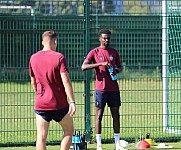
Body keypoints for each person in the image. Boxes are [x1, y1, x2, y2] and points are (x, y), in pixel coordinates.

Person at [29, 31, 76, 150]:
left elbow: (33, 81)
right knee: (69, 130)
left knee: (41, 137)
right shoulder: (59, 57)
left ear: (42, 42)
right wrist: (72, 102)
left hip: (41, 104)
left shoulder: (33, 58)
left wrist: (38, 93)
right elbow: (66, 81)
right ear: (55, 41)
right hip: (59, 103)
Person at [81, 29, 123, 150]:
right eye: (104, 38)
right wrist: (100, 64)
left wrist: (117, 70)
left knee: (116, 114)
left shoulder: (113, 52)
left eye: (108, 38)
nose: (106, 40)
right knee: (99, 115)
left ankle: (117, 144)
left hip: (114, 89)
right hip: (101, 89)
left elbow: (120, 66)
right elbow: (84, 66)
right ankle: (99, 144)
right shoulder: (94, 52)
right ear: (99, 38)